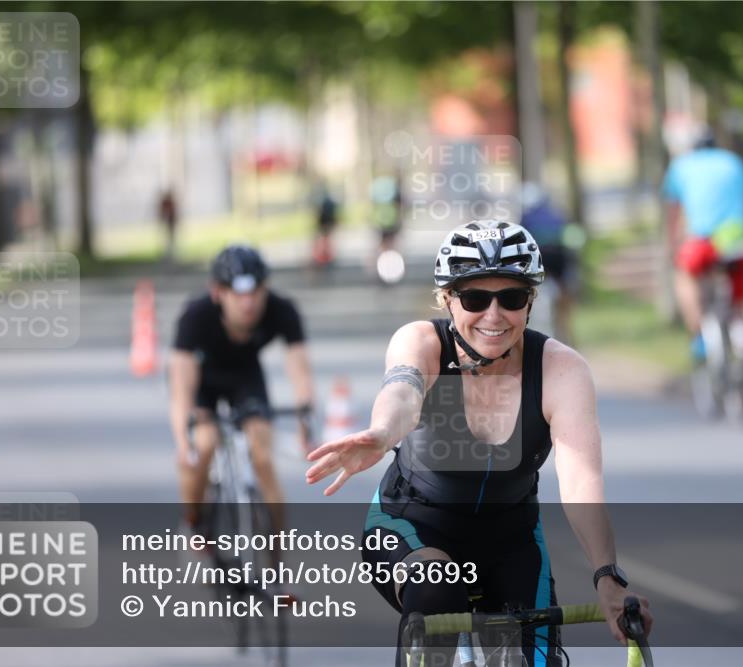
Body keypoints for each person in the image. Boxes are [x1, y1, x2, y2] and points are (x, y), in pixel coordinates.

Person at [305, 220, 652, 666]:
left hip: (511, 539)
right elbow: (402, 394)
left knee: (537, 657)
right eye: (474, 298)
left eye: (510, 298)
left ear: (530, 302)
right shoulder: (422, 342)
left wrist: (608, 578)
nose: (493, 315)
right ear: (447, 299)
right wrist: (382, 434)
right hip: (414, 528)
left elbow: (582, 482)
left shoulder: (560, 370)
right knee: (437, 591)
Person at [169, 245, 315, 534]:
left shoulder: (281, 310)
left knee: (263, 457)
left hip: (246, 376)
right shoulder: (196, 316)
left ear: (265, 288)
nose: (248, 304)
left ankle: (275, 564)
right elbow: (180, 386)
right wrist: (183, 441)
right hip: (203, 379)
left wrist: (305, 421)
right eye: (238, 295)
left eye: (255, 293)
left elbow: (300, 369)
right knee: (203, 446)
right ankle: (195, 520)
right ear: (218, 292)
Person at [662, 127, 743, 399]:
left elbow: (674, 214)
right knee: (741, 308)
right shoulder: (735, 163)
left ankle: (700, 337)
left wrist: (674, 247)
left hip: (702, 242)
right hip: (739, 240)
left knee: (684, 276)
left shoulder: (681, 167)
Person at [520, 182, 580, 345]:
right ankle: (568, 338)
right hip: (561, 259)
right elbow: (572, 239)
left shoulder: (525, 217)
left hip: (541, 262)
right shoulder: (557, 214)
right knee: (563, 304)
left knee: (536, 299)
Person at [158, 189, 179, 262]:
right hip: (168, 222)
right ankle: (168, 253)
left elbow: (172, 213)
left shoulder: (170, 202)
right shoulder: (166, 202)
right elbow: (163, 212)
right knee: (167, 239)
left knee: (171, 238)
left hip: (170, 222)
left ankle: (171, 253)